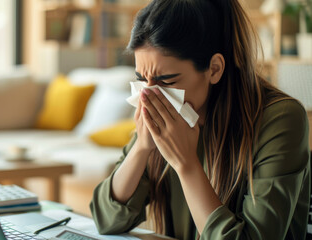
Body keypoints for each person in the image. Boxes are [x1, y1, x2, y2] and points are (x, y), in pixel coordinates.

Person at [89, 0, 311, 239]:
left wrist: (186, 165)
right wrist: (142, 148)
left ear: (214, 69)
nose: (148, 96)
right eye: (141, 79)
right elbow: (105, 220)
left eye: (167, 81)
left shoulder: (280, 119)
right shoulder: (162, 122)